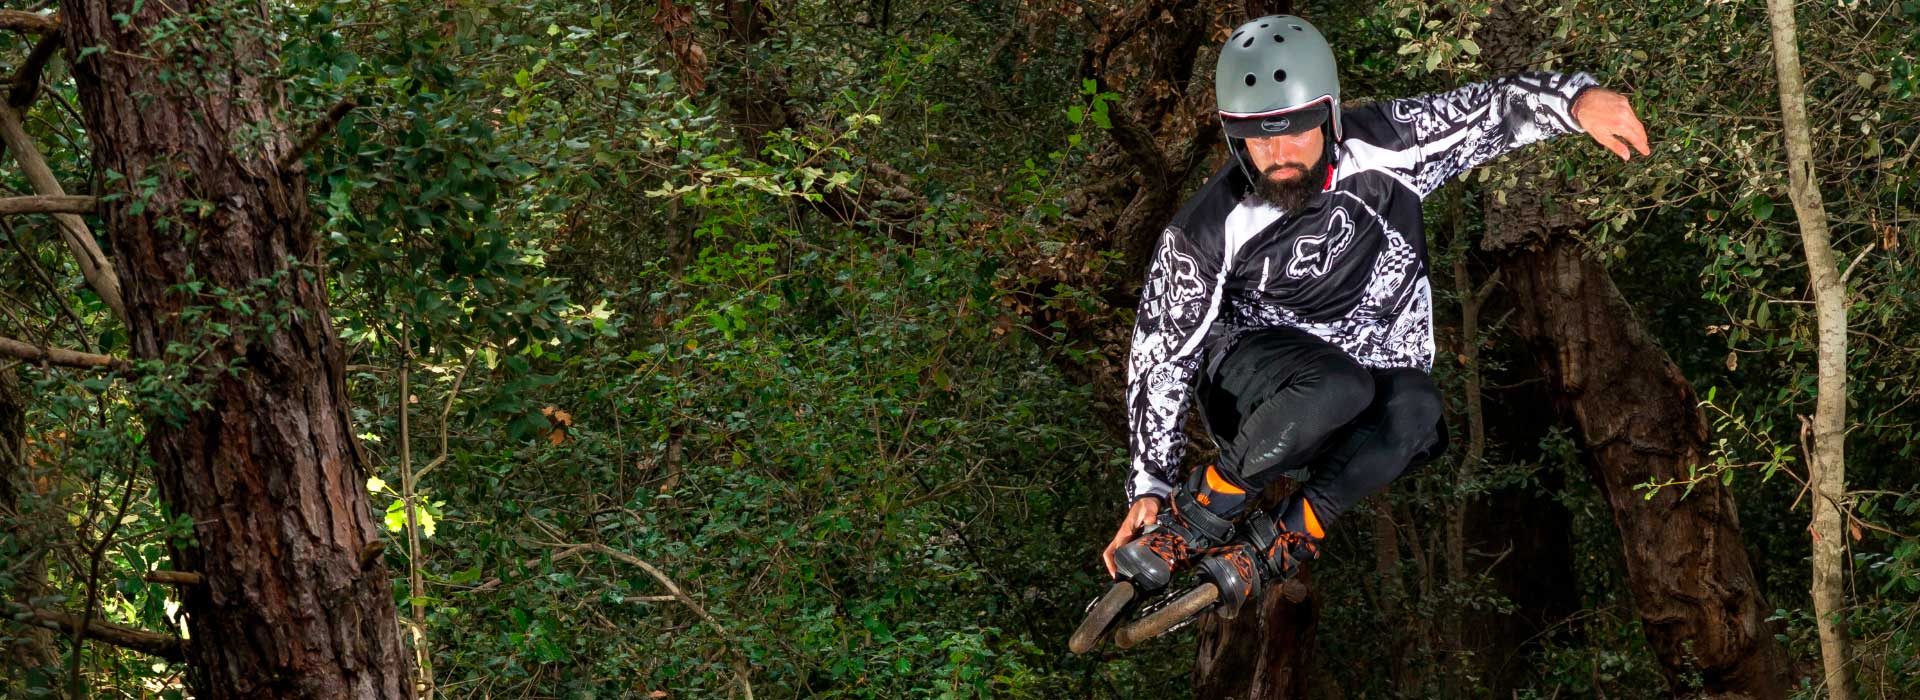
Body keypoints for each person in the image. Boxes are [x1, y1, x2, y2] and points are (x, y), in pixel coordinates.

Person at [1102, 14, 1649, 616]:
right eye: (1257, 139)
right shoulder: (1206, 229)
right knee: (1335, 383)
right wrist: (1151, 483)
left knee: (1418, 407)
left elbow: (1488, 110)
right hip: (1259, 390)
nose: (1278, 155)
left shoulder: (1391, 143)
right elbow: (1160, 357)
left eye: (1295, 132)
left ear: (1329, 118)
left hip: (1356, 393)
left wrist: (1575, 101)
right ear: (1236, 139)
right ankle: (1198, 515)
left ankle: (1286, 536)